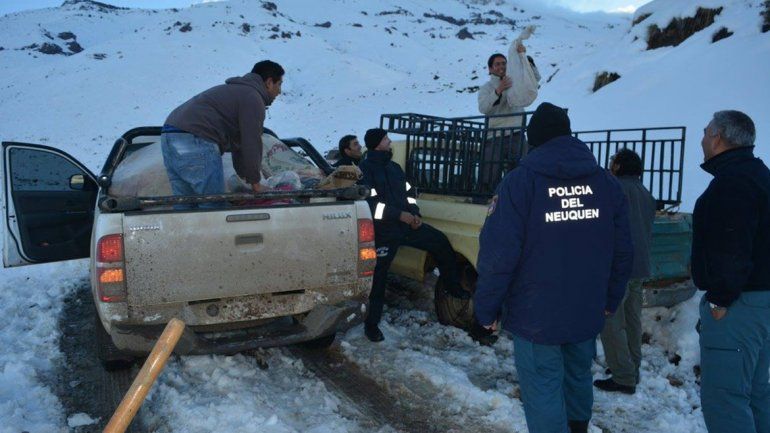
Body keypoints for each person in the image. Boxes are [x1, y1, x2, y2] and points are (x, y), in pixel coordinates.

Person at [473, 103, 633, 433]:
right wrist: (610, 300)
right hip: (586, 308)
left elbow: (498, 254)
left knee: (544, 389)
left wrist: (486, 309)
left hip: (537, 315)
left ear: (534, 139)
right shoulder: (605, 183)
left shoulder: (520, 183)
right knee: (578, 377)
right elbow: (623, 251)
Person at [693, 110, 770, 433]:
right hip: (759, 302)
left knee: (725, 399)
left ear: (718, 137)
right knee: (754, 393)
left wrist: (720, 300)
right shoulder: (758, 175)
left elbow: (731, 246)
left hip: (738, 305)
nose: (702, 137)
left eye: (706, 130)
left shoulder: (732, 184)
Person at [359, 128, 471, 342]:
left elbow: (409, 193)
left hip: (408, 226)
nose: (389, 141)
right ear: (376, 144)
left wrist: (414, 213)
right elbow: (370, 205)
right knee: (379, 278)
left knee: (440, 242)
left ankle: (452, 288)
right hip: (383, 232)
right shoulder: (364, 170)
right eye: (385, 139)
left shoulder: (395, 168)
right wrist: (399, 215)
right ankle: (371, 324)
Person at [160, 60, 284, 207]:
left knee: (186, 205)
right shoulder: (253, 98)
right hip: (196, 140)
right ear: (269, 82)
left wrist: (245, 177)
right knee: (213, 206)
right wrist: (256, 184)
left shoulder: (237, 92)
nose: (280, 91)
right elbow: (251, 143)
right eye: (279, 84)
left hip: (170, 137)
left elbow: (239, 143)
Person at [594, 149, 656, 395]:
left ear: (619, 166)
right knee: (632, 320)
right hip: (640, 266)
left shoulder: (613, 188)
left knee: (611, 322)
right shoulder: (645, 193)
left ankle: (623, 376)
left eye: (612, 161)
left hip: (618, 267)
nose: (609, 165)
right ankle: (632, 369)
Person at [477, 44, 541, 193]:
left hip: (516, 133)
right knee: (491, 171)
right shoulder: (486, 88)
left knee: (520, 170)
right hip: (495, 135)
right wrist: (498, 90)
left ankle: (519, 195)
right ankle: (488, 198)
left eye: (504, 63)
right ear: (490, 69)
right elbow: (483, 108)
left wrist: (525, 58)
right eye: (497, 64)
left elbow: (534, 79)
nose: (502, 67)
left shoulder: (515, 79)